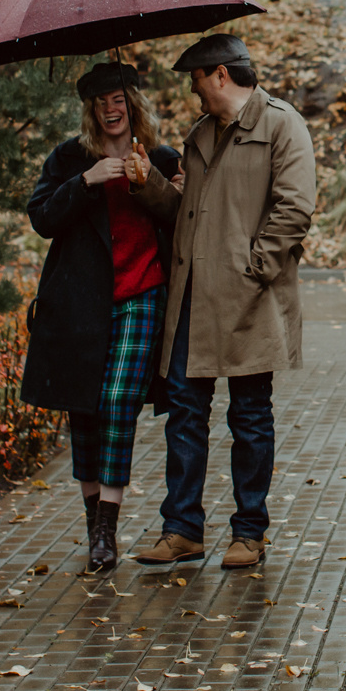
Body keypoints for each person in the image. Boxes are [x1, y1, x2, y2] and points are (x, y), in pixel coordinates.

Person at [132, 33, 317, 570]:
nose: (194, 94)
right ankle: (182, 529)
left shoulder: (282, 124)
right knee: (184, 415)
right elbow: (185, 213)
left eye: (196, 81)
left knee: (250, 417)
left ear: (219, 74)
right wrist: (147, 185)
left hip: (251, 301)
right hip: (191, 298)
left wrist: (253, 267)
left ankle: (249, 533)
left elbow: (295, 208)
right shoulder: (199, 136)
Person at [23, 61, 181, 572]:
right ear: (90, 110)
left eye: (119, 101)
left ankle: (106, 529)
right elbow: (42, 218)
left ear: (132, 104)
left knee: (117, 401)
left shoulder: (157, 155)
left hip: (142, 294)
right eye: (101, 103)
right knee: (84, 410)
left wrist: (151, 180)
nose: (111, 110)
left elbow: (180, 215)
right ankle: (96, 528)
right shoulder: (70, 158)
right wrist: (87, 181)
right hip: (81, 305)